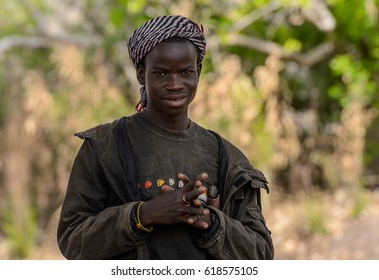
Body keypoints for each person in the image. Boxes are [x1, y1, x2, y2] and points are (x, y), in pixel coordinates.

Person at [57, 15, 274, 260]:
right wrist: (144, 215)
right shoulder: (104, 146)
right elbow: (72, 240)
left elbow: (261, 254)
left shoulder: (225, 156)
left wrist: (211, 222)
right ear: (141, 74)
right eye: (160, 73)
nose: (174, 84)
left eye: (185, 72)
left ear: (198, 72)